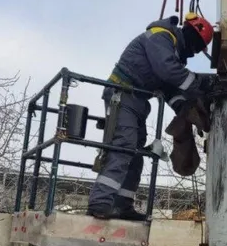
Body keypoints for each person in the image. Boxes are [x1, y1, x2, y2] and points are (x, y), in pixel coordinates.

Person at [88, 13, 217, 220]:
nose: (193, 54)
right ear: (191, 36)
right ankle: (100, 203)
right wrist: (199, 82)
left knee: (136, 153)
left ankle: (123, 206)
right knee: (124, 146)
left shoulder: (171, 50)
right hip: (121, 95)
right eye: (196, 48)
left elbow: (168, 88)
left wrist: (183, 108)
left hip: (136, 101)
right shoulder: (161, 36)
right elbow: (168, 71)